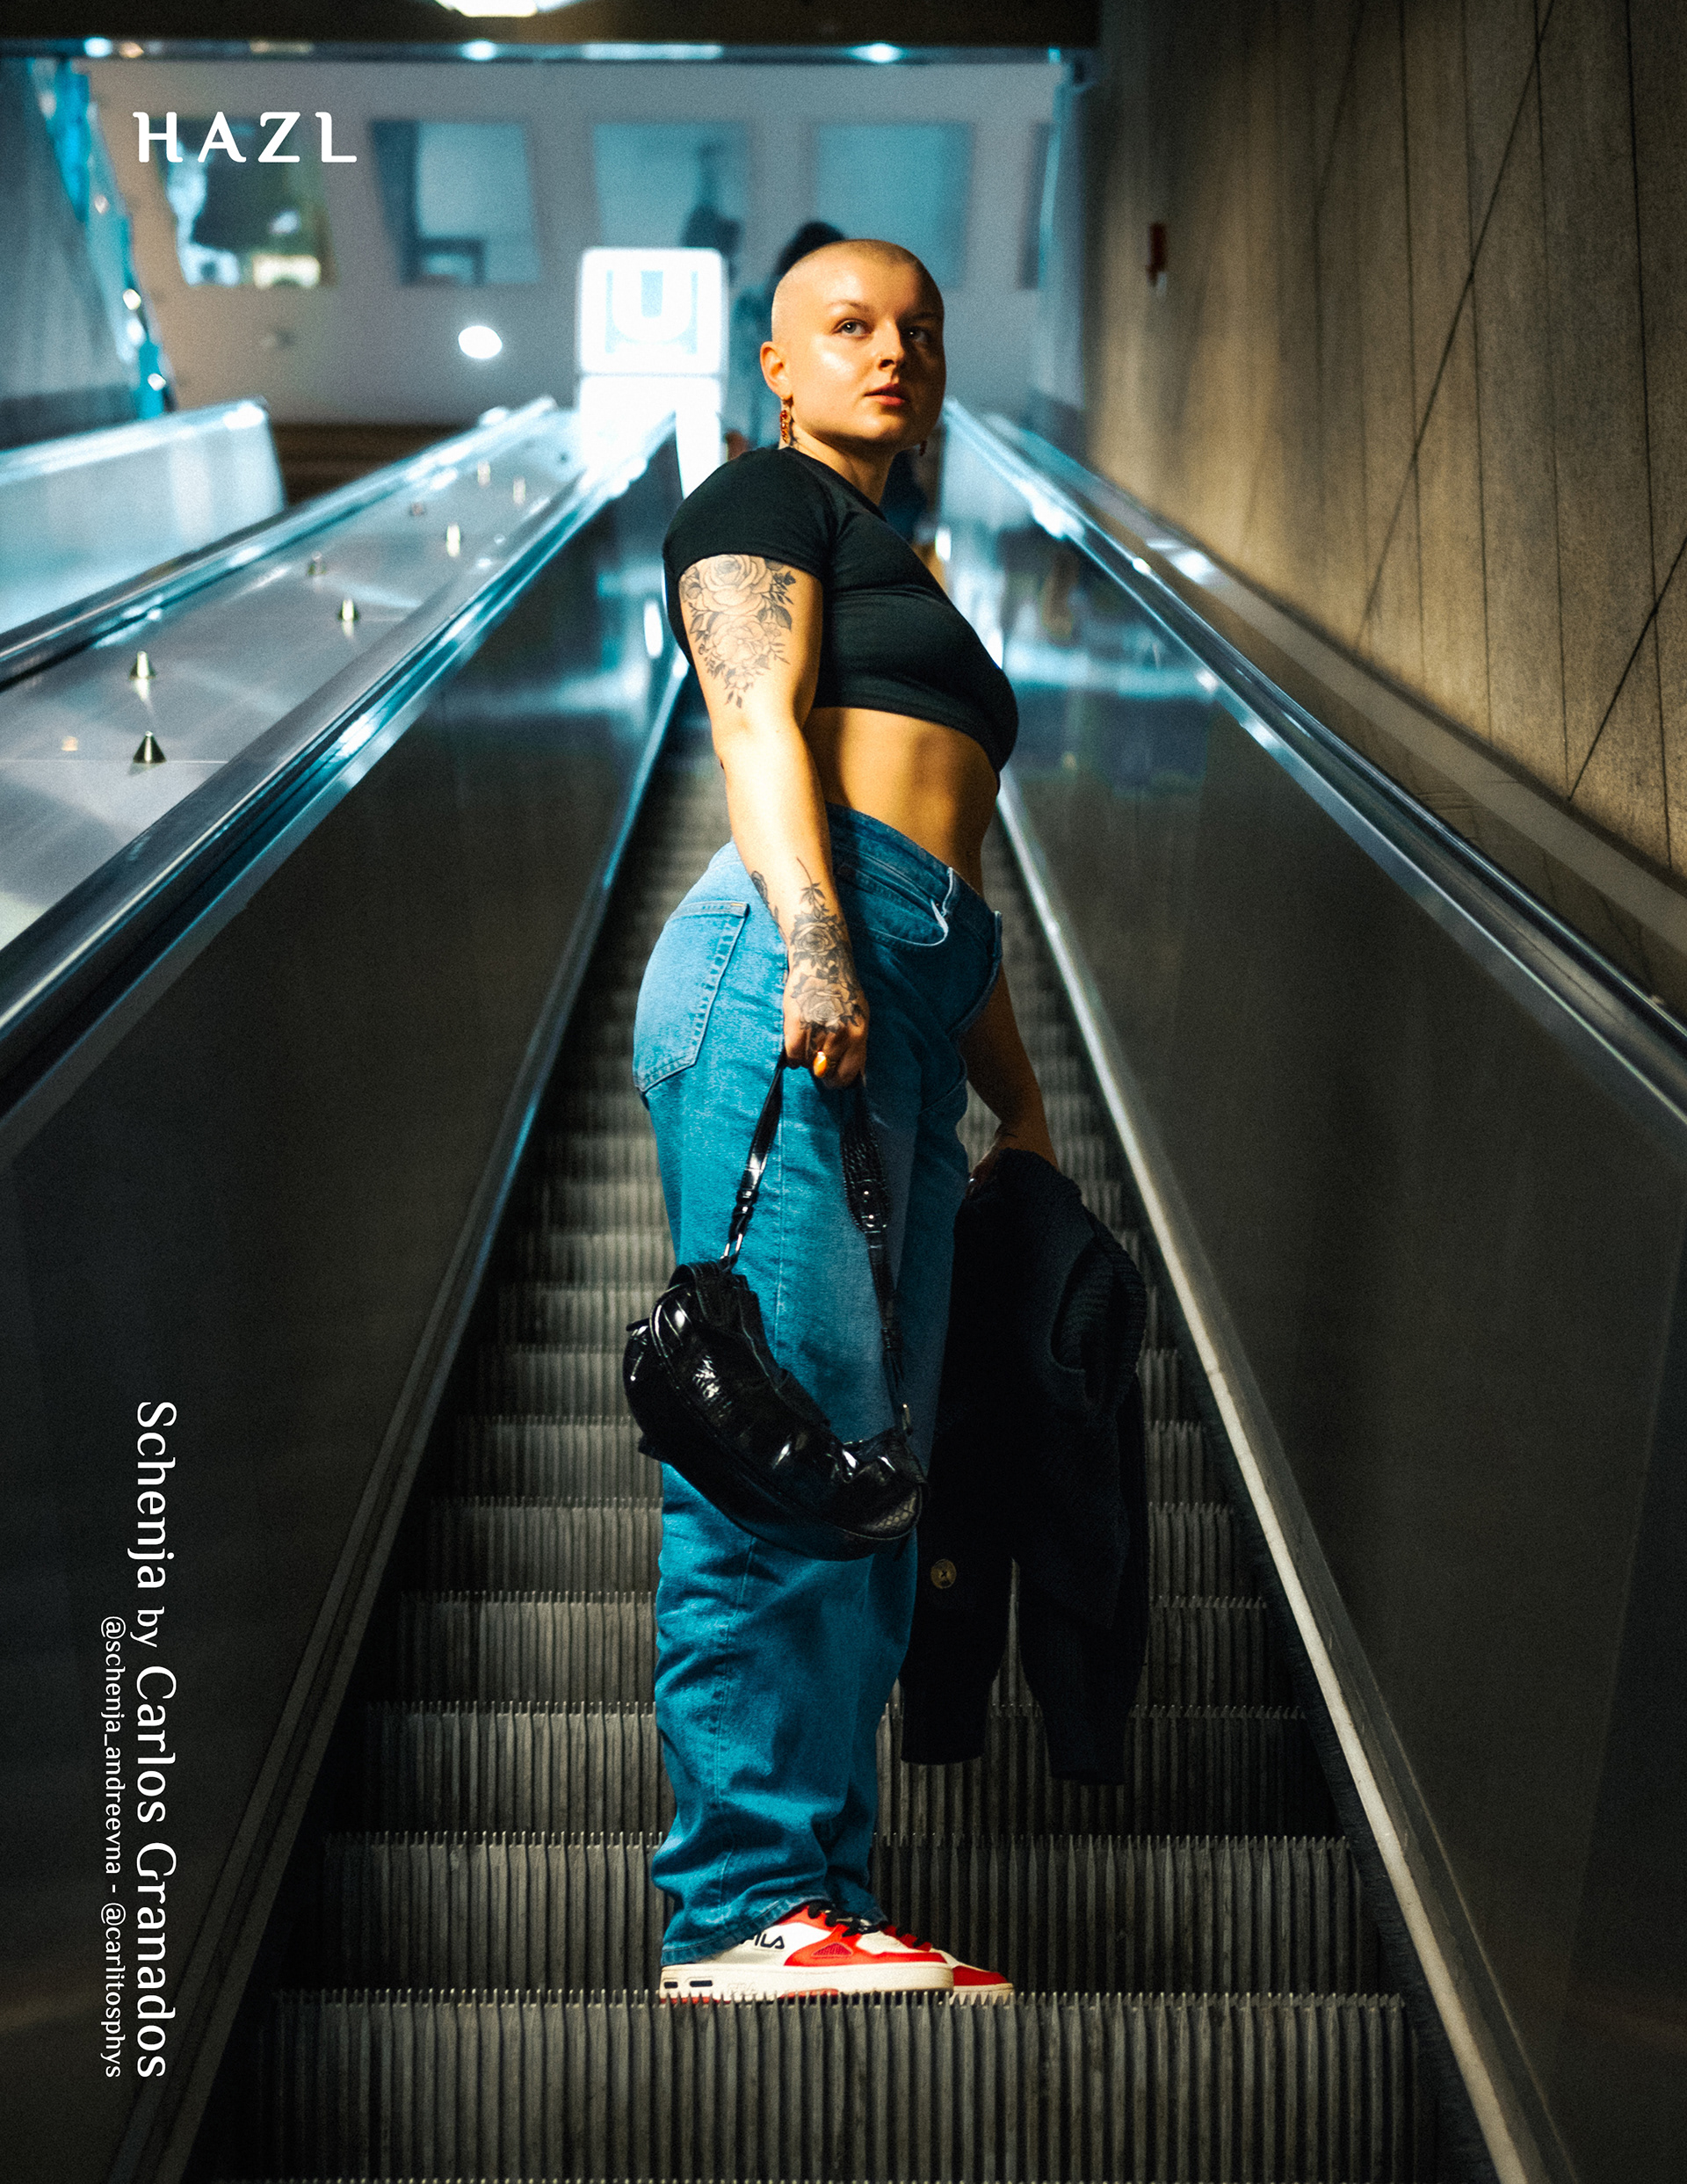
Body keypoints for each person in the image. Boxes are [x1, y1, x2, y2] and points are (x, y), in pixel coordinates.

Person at [634, 237, 1057, 2001]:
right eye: (850, 326)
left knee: (866, 1474)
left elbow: (955, 871)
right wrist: (816, 939)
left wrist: (1019, 1099)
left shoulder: (910, 562)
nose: (895, 352)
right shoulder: (763, 499)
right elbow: (757, 726)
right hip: (792, 968)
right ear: (777, 366)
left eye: (921, 332)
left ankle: (815, 1899)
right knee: (776, 1447)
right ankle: (738, 1905)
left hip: (911, 989)